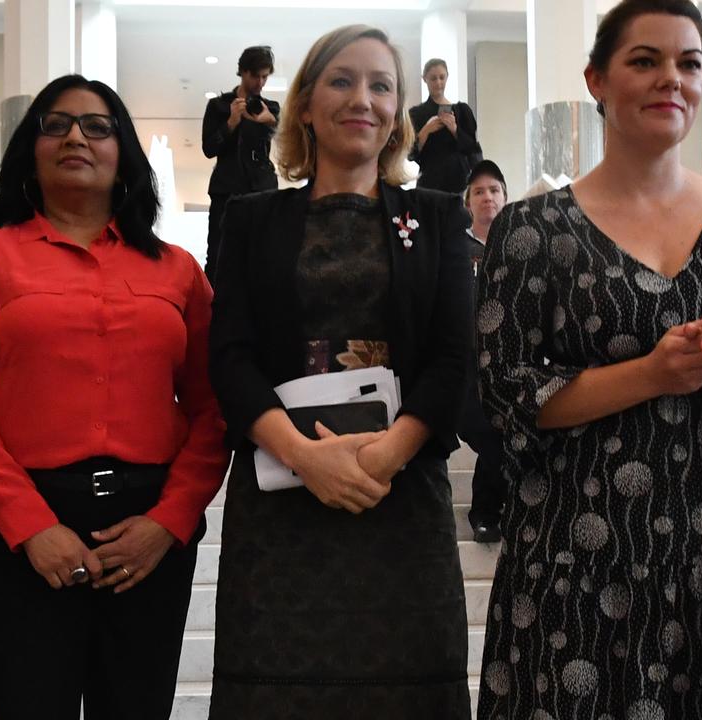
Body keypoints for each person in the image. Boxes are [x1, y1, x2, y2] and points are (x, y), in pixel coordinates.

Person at [475, 1, 702, 717]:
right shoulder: (530, 228)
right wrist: (654, 374)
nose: (673, 80)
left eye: (689, 64)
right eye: (645, 61)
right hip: (577, 562)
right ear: (597, 79)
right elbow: (509, 396)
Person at [0, 74, 227, 720]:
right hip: (23, 531)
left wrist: (168, 524)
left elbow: (213, 410)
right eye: (54, 125)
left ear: (124, 155)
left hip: (148, 533)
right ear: (29, 150)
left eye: (96, 126)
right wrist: (30, 526)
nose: (74, 138)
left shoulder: (177, 270)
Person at [209, 25, 473, 718]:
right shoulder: (250, 219)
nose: (364, 98)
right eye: (342, 80)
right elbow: (229, 355)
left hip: (402, 500)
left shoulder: (438, 219)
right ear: (304, 104)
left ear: (398, 114)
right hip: (280, 508)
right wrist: (305, 457)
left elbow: (454, 357)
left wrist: (383, 456)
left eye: (381, 85)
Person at [201, 45, 280, 284]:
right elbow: (209, 149)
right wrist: (231, 123)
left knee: (263, 253)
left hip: (262, 188)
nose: (260, 82)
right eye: (255, 75)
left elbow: (281, 142)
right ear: (243, 72)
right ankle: (212, 313)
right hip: (226, 188)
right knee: (218, 253)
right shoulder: (218, 106)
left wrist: (270, 123)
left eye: (265, 76)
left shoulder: (270, 108)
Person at [458, 160, 507, 543]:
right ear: (468, 202)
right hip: (465, 369)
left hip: (511, 364)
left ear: (505, 198)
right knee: (490, 435)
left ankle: (492, 511)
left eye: (493, 190)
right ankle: (484, 511)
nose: (487, 197)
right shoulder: (456, 250)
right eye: (479, 191)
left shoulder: (521, 247)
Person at [408, 59, 480, 193]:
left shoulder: (462, 111)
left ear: (447, 76)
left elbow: (472, 149)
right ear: (425, 79)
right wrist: (426, 130)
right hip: (429, 183)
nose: (438, 83)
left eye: (442, 77)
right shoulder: (416, 114)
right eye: (433, 78)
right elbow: (410, 154)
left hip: (459, 183)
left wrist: (455, 129)